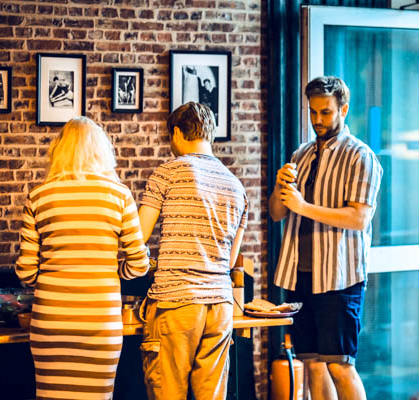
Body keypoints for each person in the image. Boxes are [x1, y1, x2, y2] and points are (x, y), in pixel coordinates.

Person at [15, 116, 150, 400]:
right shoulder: (119, 196)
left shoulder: (38, 196)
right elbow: (139, 265)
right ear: (102, 152)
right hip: (100, 321)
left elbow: (26, 272)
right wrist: (111, 270)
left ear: (59, 150)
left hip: (51, 321)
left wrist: (55, 273)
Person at [270, 76, 382, 400]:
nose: (317, 120)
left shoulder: (360, 156)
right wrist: (279, 187)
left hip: (339, 278)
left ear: (343, 109)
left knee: (340, 365)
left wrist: (304, 207)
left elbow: (359, 218)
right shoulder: (300, 155)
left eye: (326, 112)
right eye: (313, 112)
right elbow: (276, 213)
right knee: (313, 365)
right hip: (300, 275)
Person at [138, 102, 248, 400]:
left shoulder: (167, 173)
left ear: (176, 132)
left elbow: (138, 238)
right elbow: (230, 259)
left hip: (176, 302)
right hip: (220, 305)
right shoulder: (236, 186)